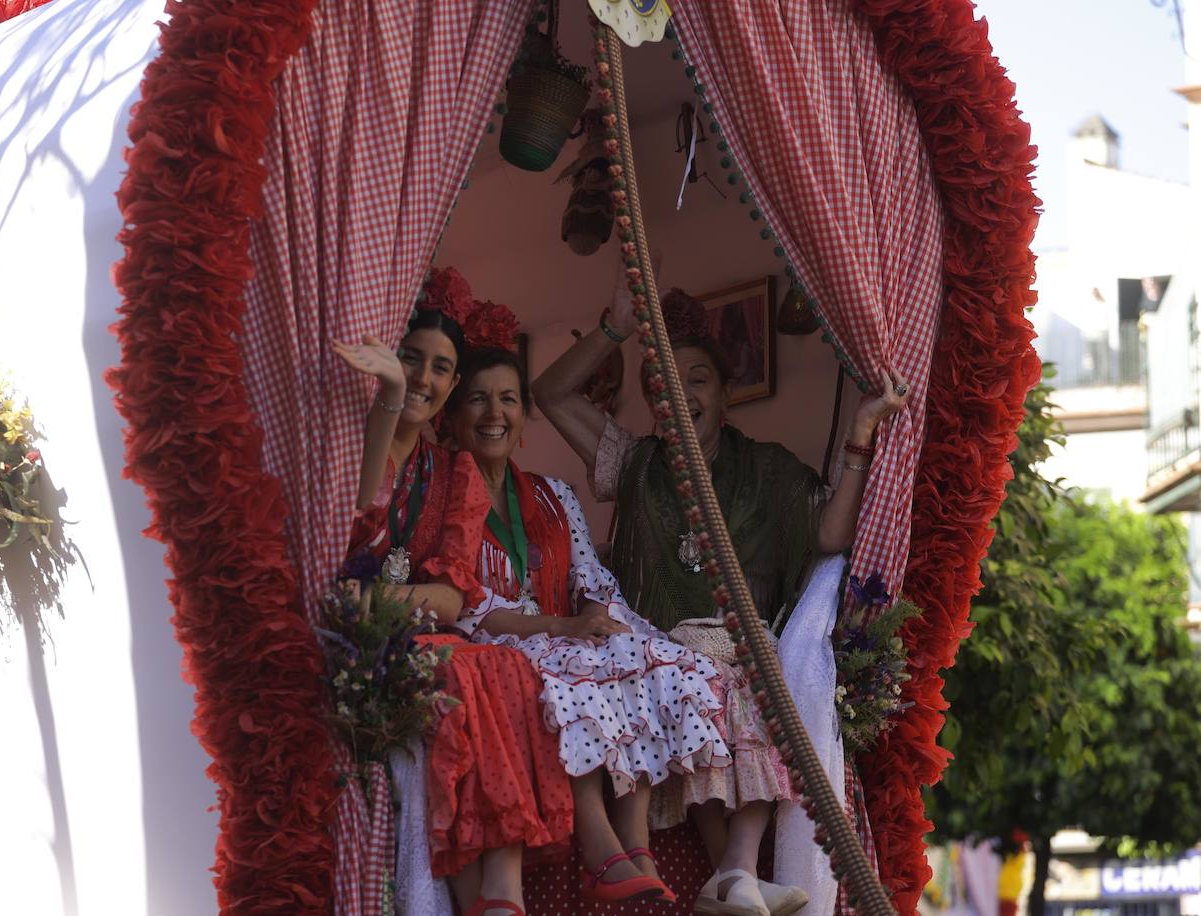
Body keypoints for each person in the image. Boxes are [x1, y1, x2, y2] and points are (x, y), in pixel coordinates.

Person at [531, 270, 911, 916]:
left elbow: (830, 530)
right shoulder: (633, 462)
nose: (678, 396)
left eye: (696, 380)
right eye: (663, 384)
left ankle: (732, 873)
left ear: (726, 395)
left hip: (741, 664)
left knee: (758, 676)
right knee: (702, 687)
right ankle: (730, 873)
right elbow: (550, 392)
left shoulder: (767, 469)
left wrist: (860, 435)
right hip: (655, 671)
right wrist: (613, 330)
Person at [445, 344, 734, 910]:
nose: (493, 413)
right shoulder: (444, 502)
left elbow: (591, 575)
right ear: (452, 421)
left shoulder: (555, 495)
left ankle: (638, 850)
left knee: (648, 659)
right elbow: (466, 607)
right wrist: (565, 625)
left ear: (524, 423)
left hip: (565, 630)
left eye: (507, 400)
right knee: (570, 667)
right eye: (477, 400)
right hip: (500, 643)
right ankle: (601, 847)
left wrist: (609, 620)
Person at [334, 270, 573, 916]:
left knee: (503, 665)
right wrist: (388, 395)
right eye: (411, 360)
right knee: (468, 669)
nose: (425, 379)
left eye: (442, 368)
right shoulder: (347, 446)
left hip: (410, 635)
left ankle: (503, 895)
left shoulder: (456, 473)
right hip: (356, 651)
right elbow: (359, 519)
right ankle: (485, 900)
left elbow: (452, 601)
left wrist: (378, 599)